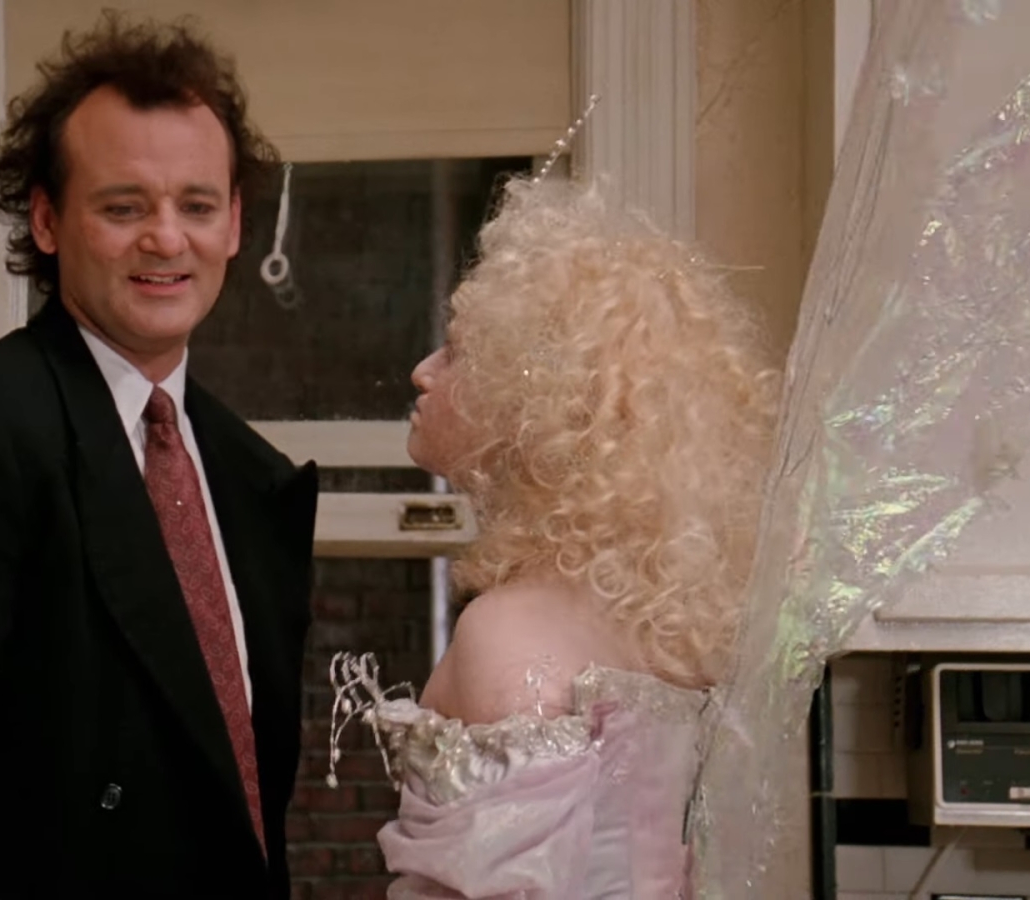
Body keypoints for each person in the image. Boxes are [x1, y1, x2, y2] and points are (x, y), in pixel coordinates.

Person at [0, 14, 317, 898]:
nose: (166, 238)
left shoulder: (251, 473)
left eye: (196, 206)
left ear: (234, 225)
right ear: (45, 219)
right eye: (123, 206)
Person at [330, 176, 780, 897]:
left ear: (530, 400)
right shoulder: (645, 623)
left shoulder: (512, 635)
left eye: (457, 353)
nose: (423, 373)